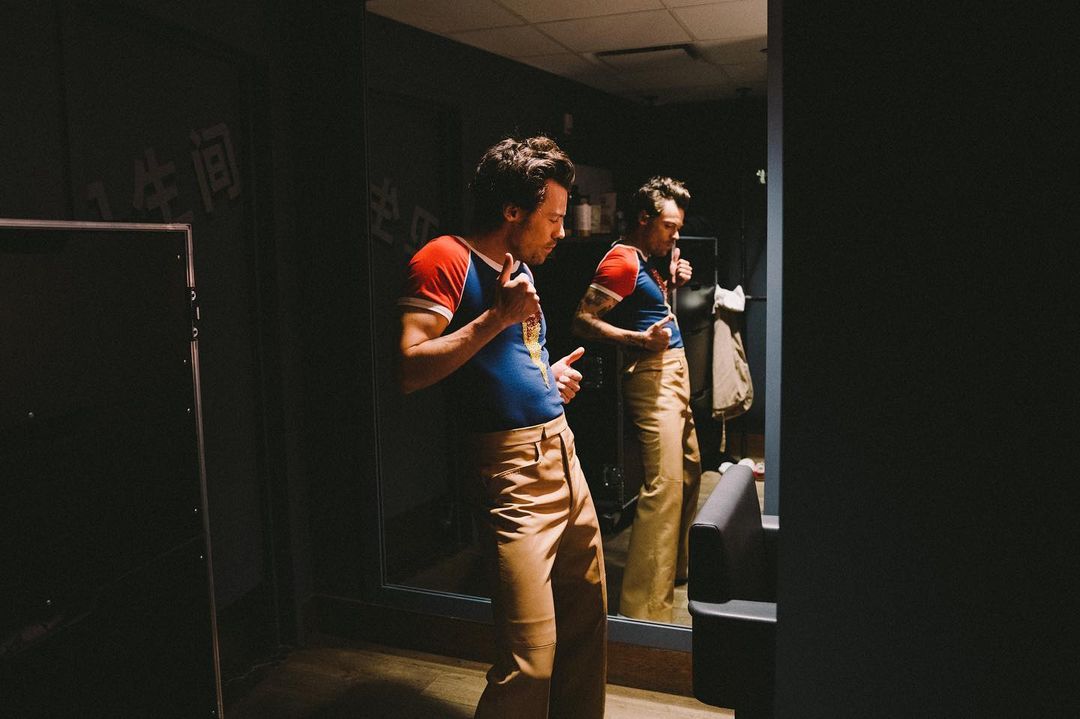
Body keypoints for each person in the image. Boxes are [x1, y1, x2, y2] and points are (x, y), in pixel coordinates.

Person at [396, 136, 607, 719]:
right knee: (531, 657)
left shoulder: (519, 267)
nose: (561, 232)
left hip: (563, 454)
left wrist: (548, 377)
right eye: (553, 218)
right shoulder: (445, 257)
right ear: (512, 210)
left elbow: (513, 353)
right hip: (512, 471)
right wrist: (496, 316)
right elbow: (408, 368)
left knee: (586, 625)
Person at [571, 176, 701, 623]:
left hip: (673, 371)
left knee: (689, 470)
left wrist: (671, 282)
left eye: (679, 228)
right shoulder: (622, 260)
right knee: (664, 485)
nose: (674, 236)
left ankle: (674, 569)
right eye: (669, 226)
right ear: (644, 218)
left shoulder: (647, 259)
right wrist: (638, 340)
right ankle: (645, 611)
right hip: (652, 376)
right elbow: (582, 320)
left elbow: (646, 308)